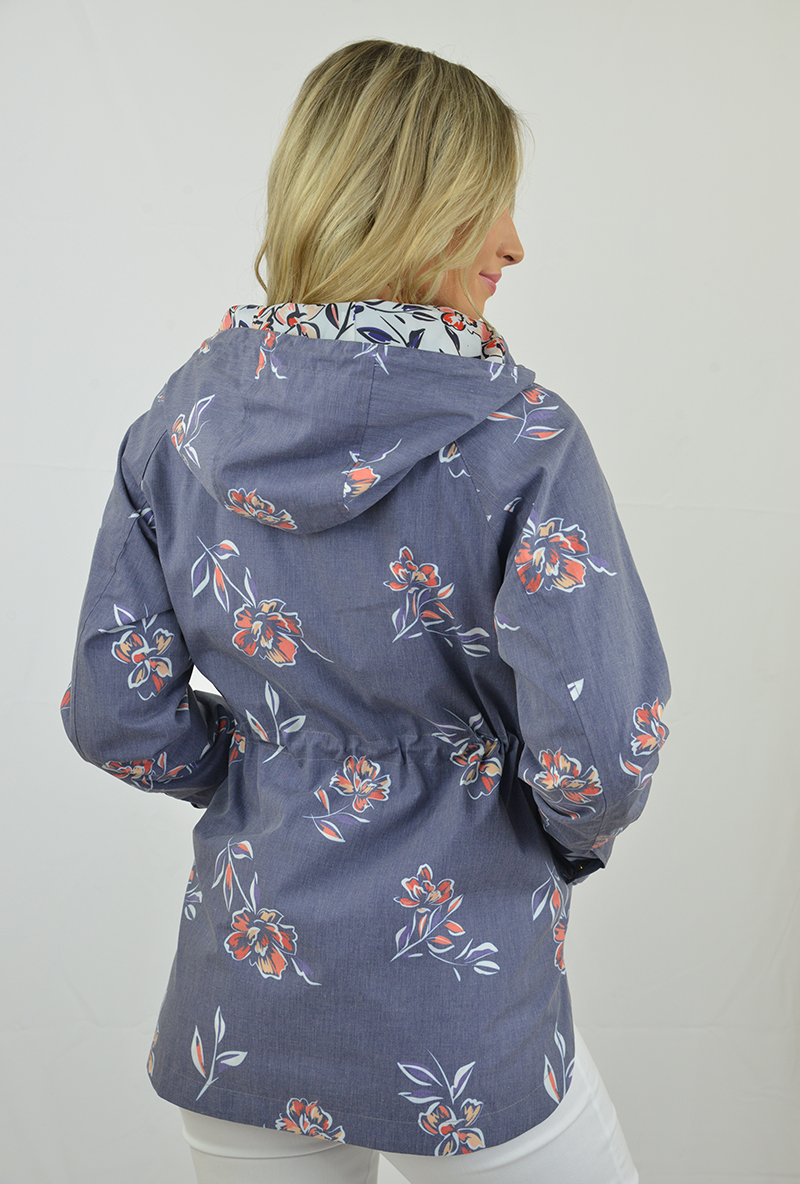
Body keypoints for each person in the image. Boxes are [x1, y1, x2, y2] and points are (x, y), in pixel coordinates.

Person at [61, 39, 670, 1184]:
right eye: (486, 206)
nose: (514, 243)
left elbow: (115, 713)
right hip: (460, 1019)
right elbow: (600, 755)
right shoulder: (522, 438)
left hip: (242, 1002)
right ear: (409, 208)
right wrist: (539, 831)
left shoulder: (179, 424)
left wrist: (273, 766)